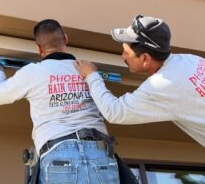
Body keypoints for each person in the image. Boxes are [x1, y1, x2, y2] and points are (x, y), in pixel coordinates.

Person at [0, 19, 123, 184]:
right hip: (100, 155)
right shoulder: (87, 70)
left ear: (38, 48)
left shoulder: (33, 73)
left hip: (59, 156)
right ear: (65, 39)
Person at [74, 15, 205, 147]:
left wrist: (91, 75)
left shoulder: (162, 85)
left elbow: (114, 112)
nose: (122, 56)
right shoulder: (191, 60)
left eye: (126, 52)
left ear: (145, 59)